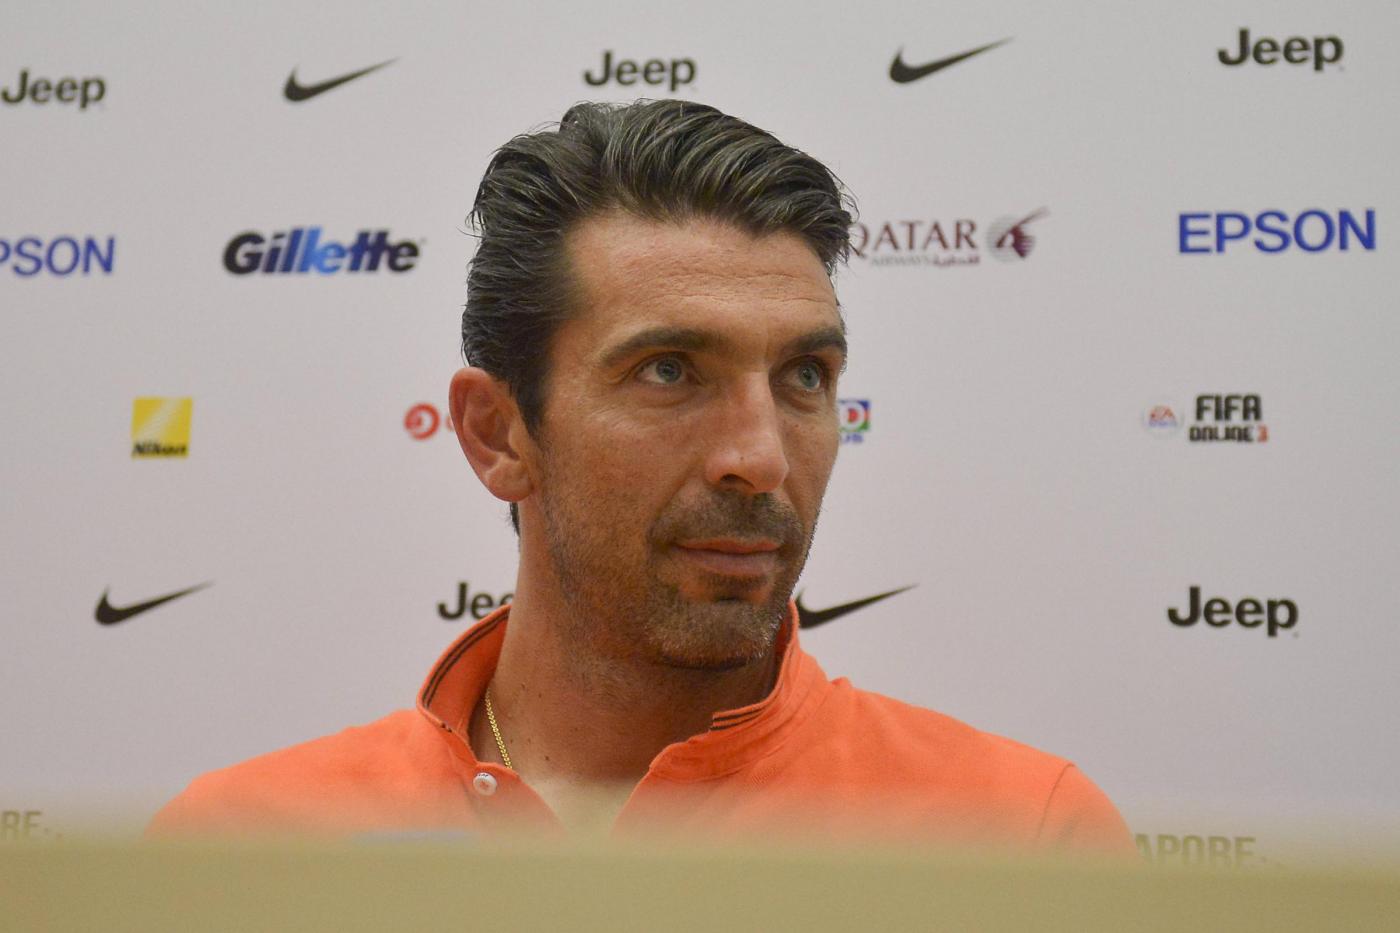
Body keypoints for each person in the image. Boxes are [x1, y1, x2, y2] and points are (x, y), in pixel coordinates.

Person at [150, 100, 1133, 853]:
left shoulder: (1020, 837)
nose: (759, 457)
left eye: (803, 375)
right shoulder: (243, 848)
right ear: (497, 434)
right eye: (669, 371)